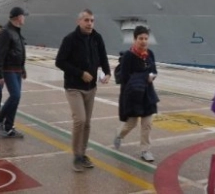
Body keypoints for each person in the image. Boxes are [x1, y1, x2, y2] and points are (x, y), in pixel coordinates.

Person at [55, 9, 112, 172]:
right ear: (78, 22)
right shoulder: (70, 39)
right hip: (74, 87)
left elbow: (103, 56)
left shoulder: (97, 38)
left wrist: (107, 72)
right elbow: (60, 61)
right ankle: (76, 156)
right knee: (79, 120)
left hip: (91, 87)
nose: (90, 24)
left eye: (92, 20)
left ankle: (83, 154)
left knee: (87, 123)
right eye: (86, 20)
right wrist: (80, 73)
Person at [113, 26, 159, 162]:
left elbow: (154, 70)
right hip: (133, 95)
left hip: (147, 95)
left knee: (147, 124)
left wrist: (152, 76)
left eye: (146, 38)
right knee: (131, 124)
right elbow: (125, 78)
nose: (144, 41)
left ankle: (145, 150)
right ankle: (119, 135)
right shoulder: (128, 56)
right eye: (141, 39)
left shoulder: (150, 54)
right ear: (134, 39)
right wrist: (144, 77)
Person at [0, 8, 28, 138]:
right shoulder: (6, 32)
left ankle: (9, 128)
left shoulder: (16, 31)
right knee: (15, 96)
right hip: (8, 70)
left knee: (16, 98)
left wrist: (23, 69)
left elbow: (20, 52)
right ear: (18, 17)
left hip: (17, 69)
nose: (25, 18)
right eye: (23, 16)